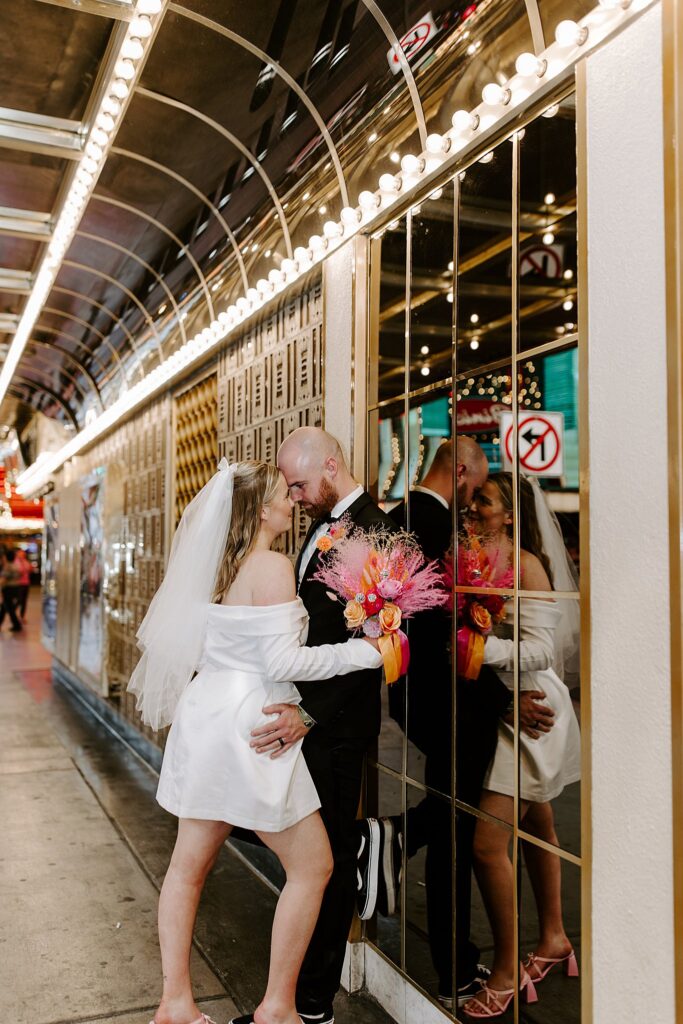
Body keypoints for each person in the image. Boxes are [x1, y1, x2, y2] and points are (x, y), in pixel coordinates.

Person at [127, 459, 383, 1024]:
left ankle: (175, 1003)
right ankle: (277, 1008)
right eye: (281, 495)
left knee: (186, 867)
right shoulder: (269, 565)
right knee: (314, 866)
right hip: (253, 723)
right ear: (259, 509)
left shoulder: (212, 566)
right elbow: (283, 661)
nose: (291, 501)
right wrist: (370, 651)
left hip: (207, 714)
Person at [356, 438, 555, 1009]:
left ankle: (393, 840)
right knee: (456, 835)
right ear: (461, 471)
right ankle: (456, 968)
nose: (471, 500)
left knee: (451, 814)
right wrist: (503, 701)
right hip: (451, 704)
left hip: (419, 698)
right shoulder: (435, 529)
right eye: (474, 484)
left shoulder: (400, 518)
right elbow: (446, 639)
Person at [244, 427, 397, 1024]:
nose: (296, 495)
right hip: (302, 715)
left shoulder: (379, 534)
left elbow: (375, 653)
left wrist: (309, 713)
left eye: (301, 483)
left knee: (327, 865)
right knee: (313, 857)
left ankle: (312, 1005)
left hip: (333, 727)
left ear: (331, 465)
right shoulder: (321, 522)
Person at [462, 473, 581, 1019]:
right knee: (540, 825)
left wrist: (470, 650)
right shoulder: (471, 557)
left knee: (488, 845)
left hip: (533, 712)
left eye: (483, 501)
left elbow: (542, 652)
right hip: (506, 707)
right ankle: (554, 938)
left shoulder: (525, 564)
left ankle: (508, 971)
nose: (473, 508)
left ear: (509, 514)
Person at [0, 549, 23, 632]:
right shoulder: (15, 565)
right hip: (15, 588)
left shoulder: (8, 566)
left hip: (8, 589)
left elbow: (4, 579)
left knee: (9, 608)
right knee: (4, 607)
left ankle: (17, 625)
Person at [14, 547, 31, 620]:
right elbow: (18, 572)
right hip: (19, 583)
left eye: (23, 553)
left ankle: (22, 615)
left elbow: (29, 569)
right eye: (20, 552)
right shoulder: (15, 561)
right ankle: (12, 611)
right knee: (19, 600)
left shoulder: (25, 561)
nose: (22, 554)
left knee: (24, 601)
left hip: (26, 583)